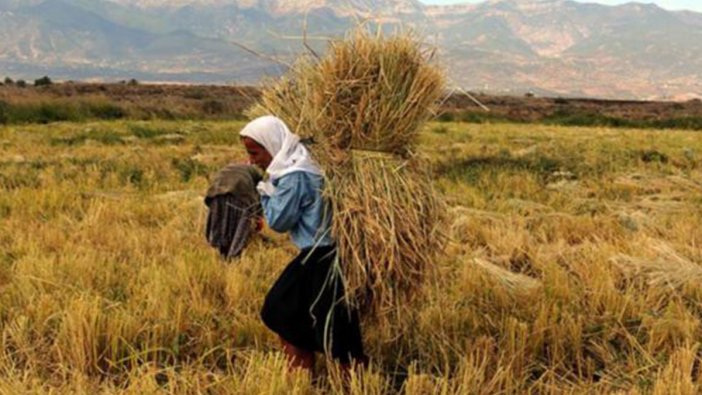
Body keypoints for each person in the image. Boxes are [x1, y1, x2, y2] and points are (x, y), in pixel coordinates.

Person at [239, 115, 368, 372]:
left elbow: (279, 221)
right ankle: (303, 370)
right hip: (330, 252)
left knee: (288, 312)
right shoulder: (307, 163)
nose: (252, 160)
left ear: (272, 144)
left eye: (255, 153)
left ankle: (344, 378)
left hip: (322, 255)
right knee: (313, 318)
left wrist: (264, 190)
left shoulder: (294, 176)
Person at [204, 163, 263, 260]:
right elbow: (258, 198)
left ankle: (221, 253)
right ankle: (233, 257)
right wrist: (258, 217)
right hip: (239, 190)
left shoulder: (234, 167)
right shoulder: (257, 176)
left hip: (216, 192)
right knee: (240, 226)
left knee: (220, 226)